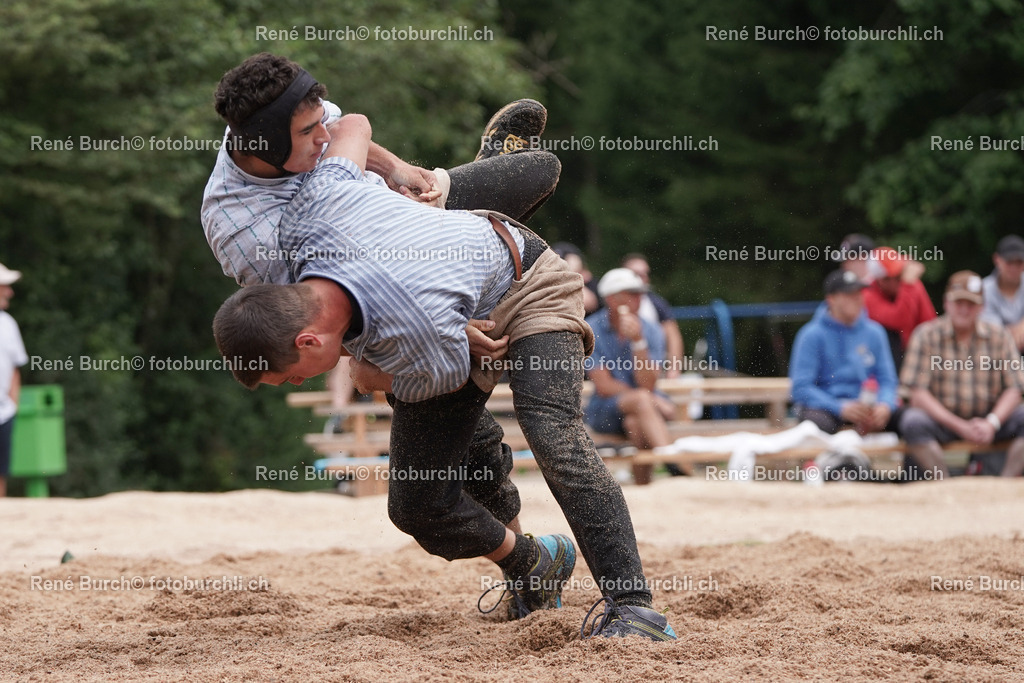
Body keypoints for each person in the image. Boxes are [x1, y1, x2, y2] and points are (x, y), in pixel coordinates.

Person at [212, 113, 676, 641]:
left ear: (307, 341)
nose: (298, 384)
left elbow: (408, 371)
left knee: (552, 432)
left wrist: (386, 362)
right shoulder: (295, 229)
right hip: (440, 306)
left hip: (522, 283)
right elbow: (352, 127)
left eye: (289, 377)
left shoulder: (413, 323)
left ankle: (636, 608)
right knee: (418, 502)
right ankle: (532, 565)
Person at [202, 52, 561, 287]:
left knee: (538, 171)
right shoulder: (244, 233)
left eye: (319, 121)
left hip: (411, 209)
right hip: (399, 285)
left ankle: (476, 196)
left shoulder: (273, 111)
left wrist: (396, 168)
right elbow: (319, 317)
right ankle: (483, 182)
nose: (324, 136)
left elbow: (345, 132)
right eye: (309, 132)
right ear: (271, 144)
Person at [899, 271, 1024, 478]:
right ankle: (945, 484)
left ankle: (1005, 484)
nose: (964, 310)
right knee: (913, 422)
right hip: (943, 420)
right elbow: (917, 394)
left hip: (990, 419)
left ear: (982, 307)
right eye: (959, 303)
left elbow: (1016, 387)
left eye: (971, 304)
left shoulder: (999, 335)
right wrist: (960, 426)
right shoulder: (926, 335)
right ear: (946, 303)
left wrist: (992, 422)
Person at [584, 268, 677, 482]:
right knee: (643, 400)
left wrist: (638, 342)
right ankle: (674, 463)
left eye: (640, 293)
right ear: (611, 299)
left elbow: (648, 383)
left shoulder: (651, 330)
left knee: (634, 423)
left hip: (641, 412)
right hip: (603, 411)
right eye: (632, 293)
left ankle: (643, 486)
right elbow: (605, 387)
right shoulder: (592, 329)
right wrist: (649, 398)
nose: (640, 298)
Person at [789, 269, 898, 435]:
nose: (856, 299)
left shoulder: (875, 332)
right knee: (815, 425)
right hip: (828, 409)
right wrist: (839, 407)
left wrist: (885, 404)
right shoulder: (811, 335)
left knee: (915, 422)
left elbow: (888, 380)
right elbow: (801, 388)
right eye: (848, 294)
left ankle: (919, 463)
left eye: (859, 293)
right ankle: (818, 462)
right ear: (831, 299)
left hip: (868, 407)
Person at [862, 246, 937, 370]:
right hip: (885, 359)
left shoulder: (910, 284)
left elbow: (929, 322)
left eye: (901, 273)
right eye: (896, 276)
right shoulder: (867, 295)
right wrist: (908, 286)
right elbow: (900, 320)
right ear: (881, 280)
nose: (900, 280)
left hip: (917, 353)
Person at [620, 254, 685, 379]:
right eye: (637, 274)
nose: (643, 278)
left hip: (652, 368)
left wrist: (674, 369)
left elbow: (673, 336)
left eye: (645, 274)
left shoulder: (656, 304)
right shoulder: (609, 305)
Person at [0, 263, 27, 497]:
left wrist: (13, 405)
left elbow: (15, 369)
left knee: (1, 475)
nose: (9, 292)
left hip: (3, 413)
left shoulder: (8, 324)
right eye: (4, 286)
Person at [981, 235, 1024, 352]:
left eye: (1019, 262)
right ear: (997, 260)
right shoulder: (984, 289)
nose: (1014, 267)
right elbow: (992, 332)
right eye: (1009, 262)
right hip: (995, 354)